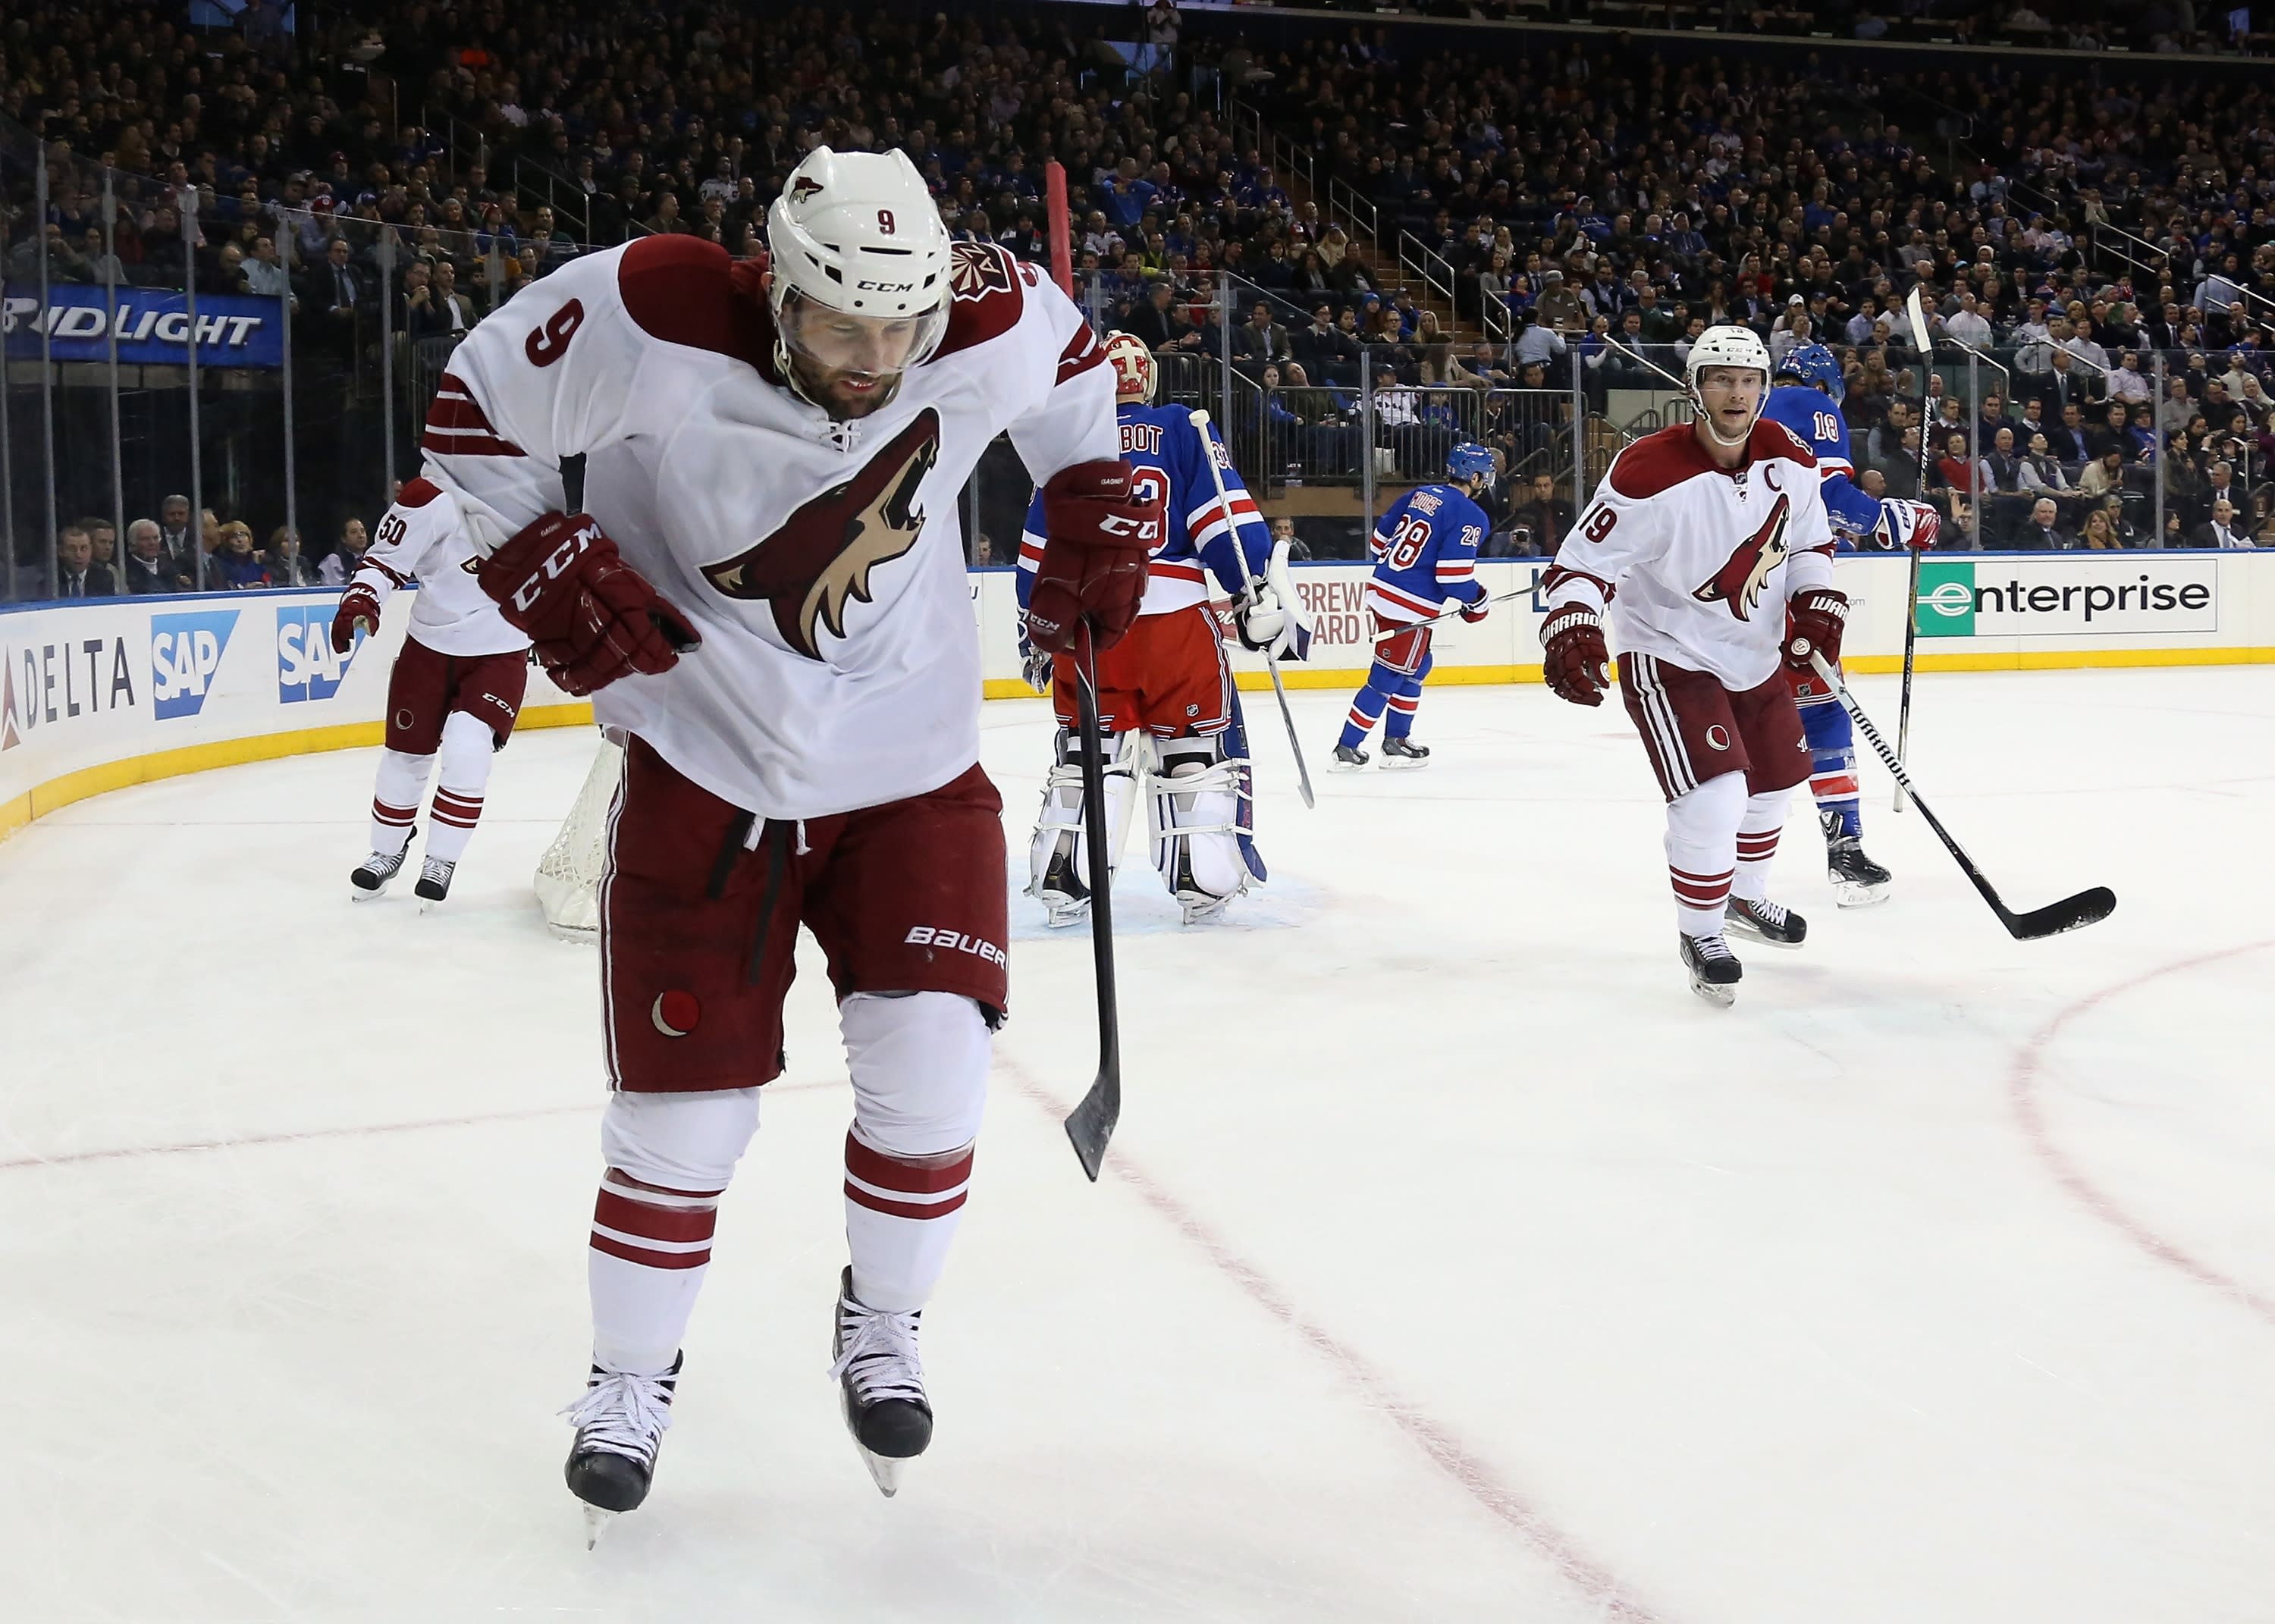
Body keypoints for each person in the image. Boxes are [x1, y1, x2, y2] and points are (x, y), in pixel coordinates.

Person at [413, 147, 1150, 1531]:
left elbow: (1072, 380)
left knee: (936, 1080)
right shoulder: (652, 312)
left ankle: (882, 1322)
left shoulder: (984, 314)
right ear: (780, 288)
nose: (875, 361)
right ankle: (627, 1381)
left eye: (901, 329)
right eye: (840, 328)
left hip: (912, 769)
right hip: (705, 762)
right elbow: (470, 404)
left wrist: (1093, 501)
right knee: (683, 1126)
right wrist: (535, 551)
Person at [1539, 326, 1842, 1005]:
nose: (1737, 393)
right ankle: (1700, 930)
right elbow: (1581, 565)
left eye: (1749, 380)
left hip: (1755, 654)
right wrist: (1573, 621)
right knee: (1715, 796)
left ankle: (1744, 897)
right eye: (1721, 378)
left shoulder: (1789, 455)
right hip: (1669, 654)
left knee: (1773, 788)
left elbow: (1810, 540)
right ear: (1695, 386)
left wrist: (1819, 602)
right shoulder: (1647, 470)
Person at [1016, 331, 1304, 926]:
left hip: (1090, 631)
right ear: (1146, 380)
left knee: (1086, 755)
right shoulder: (1182, 425)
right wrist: (1251, 592)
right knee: (1192, 755)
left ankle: (1063, 878)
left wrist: (1036, 624)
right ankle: (1202, 878)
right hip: (1176, 626)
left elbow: (1038, 552)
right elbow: (1224, 522)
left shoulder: (1068, 441)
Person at [1758, 343, 1938, 904]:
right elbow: (1831, 498)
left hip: (1723, 598)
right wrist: (1899, 520)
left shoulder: (1749, 409)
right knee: (1824, 714)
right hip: (1783, 593)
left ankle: (1719, 871)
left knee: (1742, 725)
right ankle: (1845, 852)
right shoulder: (1807, 403)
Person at [333, 480, 535, 905]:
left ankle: (441, 858)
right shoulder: (428, 496)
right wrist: (362, 599)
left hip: (501, 650)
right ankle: (386, 850)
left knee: (468, 747)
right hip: (429, 647)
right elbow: (386, 560)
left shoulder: (541, 488)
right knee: (405, 755)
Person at [1332, 441, 1495, 769]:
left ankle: (1397, 740)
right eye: (1484, 476)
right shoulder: (1471, 515)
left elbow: (1378, 541)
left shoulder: (1420, 494)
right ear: (1474, 477)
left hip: (1384, 590)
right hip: (1408, 606)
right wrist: (1478, 601)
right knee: (1387, 675)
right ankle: (1347, 747)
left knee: (1418, 664)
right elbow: (1452, 576)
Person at [318, 517, 369, 585]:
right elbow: (334, 591)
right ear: (343, 539)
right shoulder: (334, 560)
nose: (361, 535)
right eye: (354, 532)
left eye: (363, 531)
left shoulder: (371, 558)